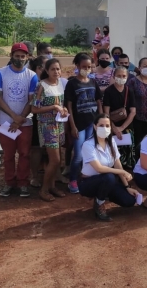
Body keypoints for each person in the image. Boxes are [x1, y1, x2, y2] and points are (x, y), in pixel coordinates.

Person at [0, 43, 38, 198]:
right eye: (17, 56)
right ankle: (9, 183)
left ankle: (23, 183)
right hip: (5, 122)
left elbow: (32, 100)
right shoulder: (0, 73)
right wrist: (14, 117)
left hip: (25, 123)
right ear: (11, 56)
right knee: (8, 155)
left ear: (27, 57)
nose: (19, 59)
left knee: (25, 153)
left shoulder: (32, 76)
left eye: (23, 56)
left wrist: (19, 120)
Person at [79, 114, 140, 221]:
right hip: (88, 183)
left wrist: (127, 186)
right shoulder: (88, 144)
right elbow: (99, 169)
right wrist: (122, 172)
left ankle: (102, 194)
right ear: (95, 126)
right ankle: (99, 203)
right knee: (109, 177)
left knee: (129, 201)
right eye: (101, 125)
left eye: (107, 126)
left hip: (107, 181)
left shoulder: (111, 142)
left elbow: (117, 163)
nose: (105, 128)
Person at [31, 58, 69, 201]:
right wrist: (53, 107)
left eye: (58, 69)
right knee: (55, 160)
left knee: (56, 160)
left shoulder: (60, 84)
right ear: (46, 70)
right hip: (47, 127)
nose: (56, 72)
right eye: (53, 69)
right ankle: (44, 189)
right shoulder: (41, 86)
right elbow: (34, 109)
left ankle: (52, 186)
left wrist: (63, 109)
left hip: (59, 125)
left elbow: (60, 104)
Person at [65, 53, 103, 194]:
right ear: (77, 66)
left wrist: (100, 120)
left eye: (89, 67)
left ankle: (85, 177)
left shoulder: (93, 82)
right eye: (83, 67)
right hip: (78, 125)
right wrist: (73, 126)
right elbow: (68, 105)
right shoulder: (72, 83)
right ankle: (73, 180)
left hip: (92, 124)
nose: (86, 69)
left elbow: (98, 101)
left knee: (90, 153)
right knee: (79, 155)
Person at [102, 66, 137, 169]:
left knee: (128, 150)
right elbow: (106, 112)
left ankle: (127, 172)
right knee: (114, 151)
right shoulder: (109, 91)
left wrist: (121, 128)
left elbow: (133, 112)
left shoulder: (129, 91)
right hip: (111, 127)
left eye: (124, 76)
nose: (121, 78)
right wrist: (114, 128)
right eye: (119, 76)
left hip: (127, 127)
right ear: (114, 76)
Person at [28, 56, 47, 187]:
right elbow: (34, 107)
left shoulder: (54, 82)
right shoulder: (35, 83)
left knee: (51, 149)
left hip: (52, 121)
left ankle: (54, 175)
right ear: (39, 68)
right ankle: (34, 177)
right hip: (37, 120)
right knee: (36, 148)